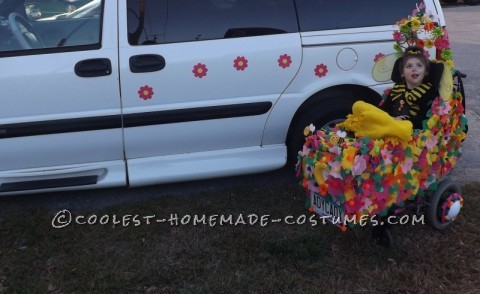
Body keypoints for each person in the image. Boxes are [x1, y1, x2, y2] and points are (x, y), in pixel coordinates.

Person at [339, 46, 439, 142]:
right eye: (409, 66)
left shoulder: (429, 92)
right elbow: (384, 110)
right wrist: (384, 117)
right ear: (402, 73)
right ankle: (375, 129)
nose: (414, 69)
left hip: (408, 128)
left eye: (419, 65)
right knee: (358, 105)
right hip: (389, 121)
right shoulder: (397, 89)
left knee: (405, 128)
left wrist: (398, 120)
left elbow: (422, 121)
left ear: (425, 72)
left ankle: (371, 130)